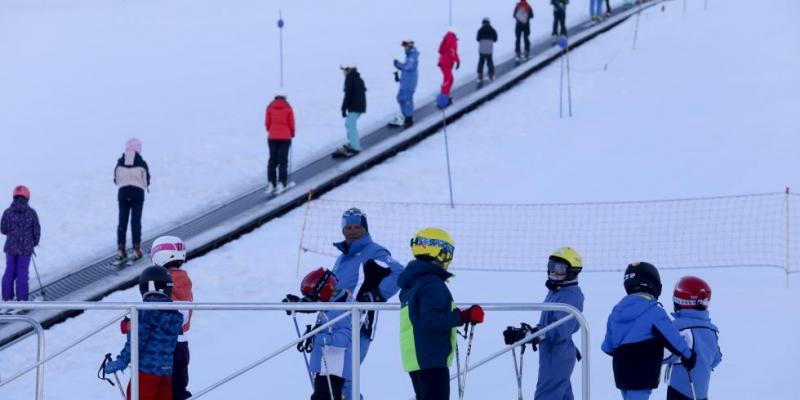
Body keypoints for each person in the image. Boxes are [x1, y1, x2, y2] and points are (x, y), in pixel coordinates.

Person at [289, 208, 403, 399]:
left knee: (345, 380)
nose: (351, 231)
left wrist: (376, 295)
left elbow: (400, 272)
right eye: (347, 227)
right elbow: (332, 293)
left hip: (358, 326)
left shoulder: (374, 251)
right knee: (334, 383)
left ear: (365, 229)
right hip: (332, 326)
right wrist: (305, 302)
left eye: (357, 227)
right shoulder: (342, 258)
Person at [399, 227, 484, 400]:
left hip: (416, 357)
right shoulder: (431, 282)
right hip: (431, 357)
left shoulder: (412, 283)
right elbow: (430, 319)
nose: (448, 259)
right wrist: (464, 316)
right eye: (447, 253)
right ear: (436, 250)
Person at [601, 262, 697, 400]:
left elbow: (608, 346)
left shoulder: (617, 311)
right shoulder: (653, 311)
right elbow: (672, 337)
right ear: (653, 284)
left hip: (621, 371)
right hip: (642, 371)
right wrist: (688, 355)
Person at [505, 247, 585, 400]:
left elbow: (561, 330)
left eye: (560, 268)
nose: (554, 272)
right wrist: (530, 332)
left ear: (572, 271)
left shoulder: (570, 296)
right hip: (553, 353)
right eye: (551, 266)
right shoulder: (557, 291)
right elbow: (550, 324)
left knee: (547, 394)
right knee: (561, 394)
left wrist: (533, 335)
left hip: (557, 353)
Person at [105, 266, 183, 400]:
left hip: (146, 372)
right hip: (165, 372)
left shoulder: (145, 311)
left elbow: (137, 339)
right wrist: (131, 324)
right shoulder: (174, 314)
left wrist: (122, 361)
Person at [297, 268, 354, 400]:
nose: (313, 302)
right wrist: (297, 304)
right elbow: (312, 306)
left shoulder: (341, 310)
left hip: (332, 371)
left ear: (323, 291)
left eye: (313, 297)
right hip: (324, 369)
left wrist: (326, 339)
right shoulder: (331, 306)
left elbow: (346, 338)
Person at [663, 276, 722, 400]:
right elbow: (716, 358)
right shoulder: (711, 330)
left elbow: (666, 354)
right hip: (701, 392)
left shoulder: (678, 328)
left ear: (679, 301)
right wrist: (702, 365)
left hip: (679, 389)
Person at [151, 236, 194, 400]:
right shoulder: (184, 279)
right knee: (179, 385)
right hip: (182, 342)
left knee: (163, 388)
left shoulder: (160, 280)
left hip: (165, 344)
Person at [114, 138, 150, 264]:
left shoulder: (120, 162)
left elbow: (116, 180)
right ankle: (136, 250)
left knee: (122, 222)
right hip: (137, 194)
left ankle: (121, 250)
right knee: (135, 222)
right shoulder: (142, 163)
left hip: (123, 194)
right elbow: (146, 181)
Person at [1, 185, 40, 302]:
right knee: (22, 273)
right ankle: (22, 299)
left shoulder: (7, 212)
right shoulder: (31, 213)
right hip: (25, 249)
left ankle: (7, 298)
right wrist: (33, 242)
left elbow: (3, 229)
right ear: (27, 196)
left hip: (11, 249)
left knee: (9, 272)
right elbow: (36, 230)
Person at [265, 90, 296, 194]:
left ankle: (271, 183)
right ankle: (282, 183)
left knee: (272, 160)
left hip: (272, 137)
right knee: (283, 160)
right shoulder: (288, 107)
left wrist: (272, 131)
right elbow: (291, 123)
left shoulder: (269, 107)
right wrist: (292, 133)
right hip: (285, 137)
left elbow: (267, 123)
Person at [334, 64, 367, 158]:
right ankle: (352, 143)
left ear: (347, 71)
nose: (343, 73)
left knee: (350, 124)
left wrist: (343, 108)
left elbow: (347, 95)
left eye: (343, 71)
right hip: (359, 105)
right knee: (349, 124)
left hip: (356, 106)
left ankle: (355, 147)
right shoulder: (357, 78)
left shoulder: (350, 79)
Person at [390, 40, 419, 128]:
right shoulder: (409, 55)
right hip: (405, 82)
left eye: (406, 46)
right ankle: (405, 115)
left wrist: (398, 64)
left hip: (409, 83)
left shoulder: (413, 55)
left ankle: (409, 118)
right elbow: (406, 68)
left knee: (407, 99)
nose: (404, 49)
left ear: (409, 46)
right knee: (400, 98)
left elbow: (409, 67)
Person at [437, 28, 460, 106]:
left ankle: (445, 96)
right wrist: (457, 61)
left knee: (447, 79)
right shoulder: (451, 39)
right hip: (446, 62)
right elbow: (453, 51)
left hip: (443, 61)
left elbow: (440, 50)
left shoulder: (447, 38)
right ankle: (443, 99)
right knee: (449, 79)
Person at [476, 17, 498, 82]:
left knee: (481, 61)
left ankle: (480, 74)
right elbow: (495, 39)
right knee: (490, 61)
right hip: (489, 48)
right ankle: (491, 74)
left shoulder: (480, 29)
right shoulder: (492, 29)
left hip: (482, 48)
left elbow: (477, 39)